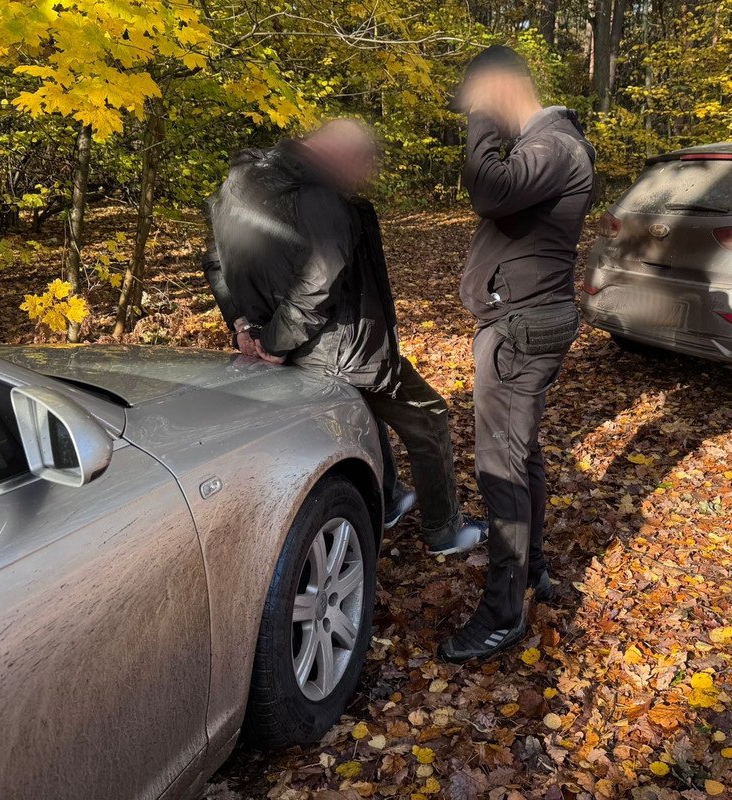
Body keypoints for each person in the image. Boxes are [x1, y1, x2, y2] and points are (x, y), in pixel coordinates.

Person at [202, 119, 486, 555]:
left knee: (362, 418)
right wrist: (276, 341)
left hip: (286, 348)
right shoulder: (318, 195)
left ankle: (389, 500)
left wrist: (243, 327)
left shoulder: (236, 187)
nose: (364, 174)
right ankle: (444, 530)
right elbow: (321, 279)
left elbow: (217, 265)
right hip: (340, 350)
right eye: (362, 161)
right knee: (427, 414)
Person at [438, 48, 596, 662]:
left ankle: (503, 615)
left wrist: (482, 117)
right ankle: (532, 571)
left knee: (499, 470)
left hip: (520, 329)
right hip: (526, 323)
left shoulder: (554, 144)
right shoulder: (551, 145)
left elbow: (489, 188)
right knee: (520, 455)